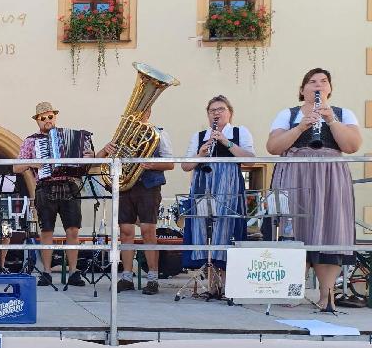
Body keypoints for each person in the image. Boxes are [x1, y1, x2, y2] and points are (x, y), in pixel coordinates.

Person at [266, 68, 362, 311]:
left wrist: (330, 120)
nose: (318, 85)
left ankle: (326, 295)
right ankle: (291, 290)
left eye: (323, 81)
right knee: (292, 228)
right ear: (302, 90)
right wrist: (300, 128)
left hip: (330, 177)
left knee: (331, 229)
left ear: (329, 88)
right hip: (294, 175)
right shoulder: (287, 115)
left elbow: (351, 146)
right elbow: (273, 147)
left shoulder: (343, 114)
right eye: (312, 82)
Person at [181, 95, 254, 295]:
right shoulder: (198, 136)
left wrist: (226, 142)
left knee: (227, 228)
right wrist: (200, 155)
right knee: (203, 229)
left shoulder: (239, 132)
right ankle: (211, 284)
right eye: (212, 110)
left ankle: (227, 283)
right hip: (203, 185)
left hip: (228, 186)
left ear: (230, 112)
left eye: (221, 109)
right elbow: (186, 166)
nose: (216, 113)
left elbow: (250, 160)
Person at [14, 102, 92, 287]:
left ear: (55, 117)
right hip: (45, 187)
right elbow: (16, 167)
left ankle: (74, 272)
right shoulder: (31, 141)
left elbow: (86, 162)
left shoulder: (73, 137)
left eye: (50, 117)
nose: (47, 120)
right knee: (46, 231)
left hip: (69, 185)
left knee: (73, 230)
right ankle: (46, 272)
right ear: (37, 121)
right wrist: (33, 163)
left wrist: (90, 156)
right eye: (42, 118)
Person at [97, 109, 174, 295]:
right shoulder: (123, 133)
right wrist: (107, 149)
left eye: (143, 111)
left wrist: (152, 164)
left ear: (148, 113)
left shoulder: (159, 133)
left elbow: (170, 163)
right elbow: (102, 159)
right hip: (126, 185)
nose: (139, 114)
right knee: (125, 231)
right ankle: (127, 277)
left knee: (148, 231)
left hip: (149, 187)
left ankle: (153, 279)